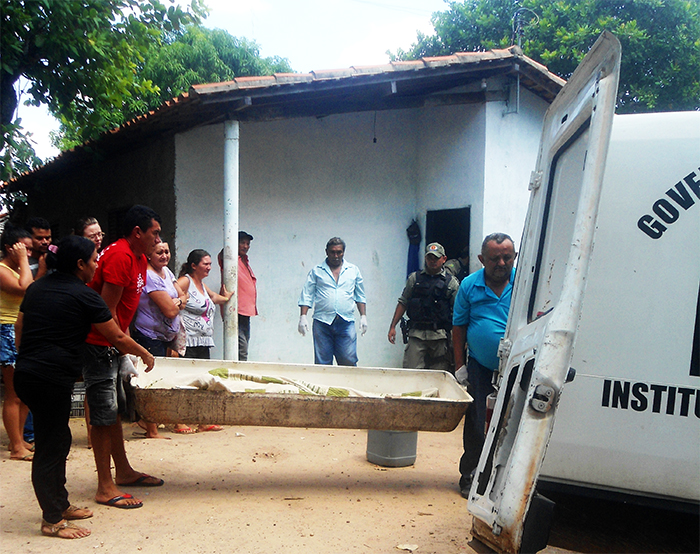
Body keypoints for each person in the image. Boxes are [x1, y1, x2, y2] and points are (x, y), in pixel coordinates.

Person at [14, 236, 155, 539]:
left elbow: (19, 329)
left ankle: (60, 505)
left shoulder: (37, 288)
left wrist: (29, 357)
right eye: (93, 260)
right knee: (50, 447)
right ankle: (52, 520)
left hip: (30, 373)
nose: (97, 265)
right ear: (79, 265)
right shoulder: (86, 296)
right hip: (50, 379)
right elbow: (116, 337)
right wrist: (143, 352)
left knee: (59, 439)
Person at [83, 205, 164, 509]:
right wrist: (132, 347)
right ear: (137, 233)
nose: (159, 238)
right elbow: (105, 312)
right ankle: (105, 487)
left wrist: (124, 344)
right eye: (155, 232)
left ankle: (124, 472)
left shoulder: (140, 257)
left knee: (114, 411)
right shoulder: (120, 256)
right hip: (99, 343)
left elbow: (124, 309)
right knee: (103, 416)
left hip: (115, 342)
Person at [452, 233, 517, 498]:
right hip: (479, 367)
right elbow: (459, 326)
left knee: (511, 422)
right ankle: (470, 476)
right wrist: (460, 367)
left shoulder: (526, 284)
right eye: (494, 258)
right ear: (481, 259)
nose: (501, 263)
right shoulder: (469, 286)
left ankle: (505, 480)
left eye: (507, 257)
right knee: (478, 422)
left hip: (517, 368)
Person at [133, 241, 189, 435]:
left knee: (168, 377)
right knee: (152, 380)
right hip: (150, 335)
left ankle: (158, 422)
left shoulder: (168, 273)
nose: (164, 255)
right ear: (149, 255)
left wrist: (178, 301)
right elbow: (170, 310)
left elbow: (184, 297)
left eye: (167, 251)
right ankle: (151, 428)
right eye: (159, 252)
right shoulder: (149, 275)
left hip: (167, 336)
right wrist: (177, 303)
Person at [176, 249, 232, 433]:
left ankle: (203, 420)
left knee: (204, 381)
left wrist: (227, 297)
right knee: (186, 381)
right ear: (194, 266)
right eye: (205, 264)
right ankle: (179, 421)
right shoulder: (186, 281)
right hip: (188, 341)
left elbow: (214, 298)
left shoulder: (201, 283)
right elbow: (173, 292)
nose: (209, 267)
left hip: (203, 341)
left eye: (210, 264)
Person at [387, 242, 459, 370]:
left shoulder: (451, 283)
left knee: (439, 375)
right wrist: (393, 326)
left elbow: (458, 312)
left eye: (436, 258)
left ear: (444, 259)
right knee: (411, 372)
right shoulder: (414, 279)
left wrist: (457, 338)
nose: (432, 261)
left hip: (440, 336)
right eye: (429, 258)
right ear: (425, 258)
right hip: (416, 334)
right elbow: (403, 302)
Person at [298, 237, 367, 366]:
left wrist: (363, 316)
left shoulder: (353, 270)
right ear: (327, 252)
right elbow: (307, 294)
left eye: (339, 252)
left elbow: (360, 295)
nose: (336, 256)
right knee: (323, 362)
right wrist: (303, 316)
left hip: (345, 322)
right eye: (332, 252)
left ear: (343, 252)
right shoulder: (317, 271)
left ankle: (346, 385)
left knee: (348, 359)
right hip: (322, 322)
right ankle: (324, 386)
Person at [0, 224, 34, 461]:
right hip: (5, 330)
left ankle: (19, 439)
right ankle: (15, 446)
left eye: (29, 250)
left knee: (23, 391)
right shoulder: (1, 269)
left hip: (18, 330)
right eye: (24, 248)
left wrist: (23, 259)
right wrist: (23, 259)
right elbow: (26, 288)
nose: (28, 253)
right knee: (13, 393)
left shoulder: (18, 269)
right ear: (9, 248)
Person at [74, 216, 105, 447]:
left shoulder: (104, 259)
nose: (97, 239)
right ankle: (92, 434)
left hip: (100, 326)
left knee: (94, 385)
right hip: (81, 329)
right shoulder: (77, 264)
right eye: (92, 235)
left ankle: (96, 434)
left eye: (100, 234)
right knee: (87, 382)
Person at [236, 231, 257, 361]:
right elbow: (223, 253)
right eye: (242, 243)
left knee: (244, 346)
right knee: (241, 348)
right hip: (236, 310)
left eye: (247, 244)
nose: (245, 246)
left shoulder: (244, 260)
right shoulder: (230, 258)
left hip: (246, 311)